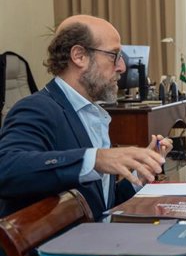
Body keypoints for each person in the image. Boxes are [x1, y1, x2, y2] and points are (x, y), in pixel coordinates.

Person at [0, 14, 172, 220]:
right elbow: (7, 169)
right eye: (114, 55)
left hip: (99, 243)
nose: (122, 67)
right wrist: (96, 159)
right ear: (79, 56)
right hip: (56, 250)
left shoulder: (94, 115)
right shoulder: (37, 108)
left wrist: (139, 173)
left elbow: (100, 205)